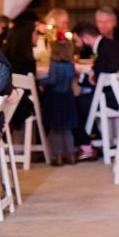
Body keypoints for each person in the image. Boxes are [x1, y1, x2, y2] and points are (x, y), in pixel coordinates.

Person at [73, 21, 119, 160]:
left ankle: (86, 145)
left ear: (86, 37)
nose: (77, 45)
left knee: (72, 105)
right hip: (110, 95)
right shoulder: (105, 45)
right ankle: (93, 141)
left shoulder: (107, 47)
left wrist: (96, 73)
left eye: (77, 40)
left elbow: (111, 69)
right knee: (79, 102)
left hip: (114, 98)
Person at [40, 38, 79, 166]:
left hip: (56, 98)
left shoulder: (54, 65)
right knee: (67, 129)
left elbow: (52, 80)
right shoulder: (71, 65)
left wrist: (40, 82)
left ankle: (58, 156)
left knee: (55, 128)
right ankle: (71, 154)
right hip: (68, 97)